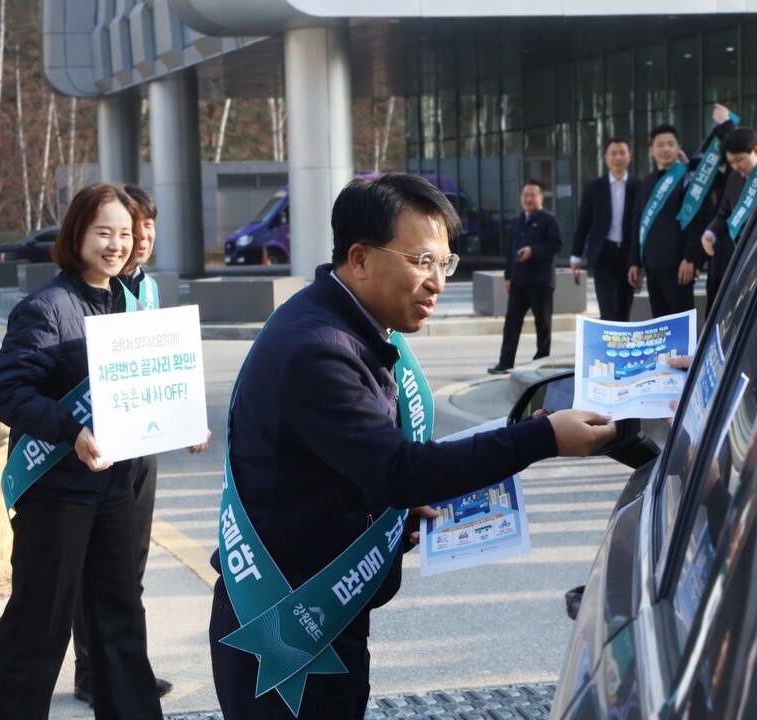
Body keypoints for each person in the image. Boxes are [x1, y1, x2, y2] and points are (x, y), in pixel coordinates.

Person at [209, 173, 615, 720]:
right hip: (284, 626)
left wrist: (391, 515)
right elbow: (399, 469)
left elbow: (353, 467)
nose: (437, 282)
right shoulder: (319, 349)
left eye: (443, 264)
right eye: (421, 261)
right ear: (360, 258)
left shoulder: (346, 322)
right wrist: (544, 436)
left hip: (320, 612)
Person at [0, 183, 163, 720]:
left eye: (125, 234)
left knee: (120, 621)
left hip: (111, 490)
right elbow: (7, 391)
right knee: (39, 625)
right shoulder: (47, 307)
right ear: (77, 234)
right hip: (56, 492)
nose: (116, 244)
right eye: (103, 232)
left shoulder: (124, 303)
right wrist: (69, 430)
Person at [69, 184, 210, 706]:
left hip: (139, 450)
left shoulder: (144, 290)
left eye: (142, 229)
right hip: (98, 447)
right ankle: (92, 670)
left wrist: (186, 419)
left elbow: (161, 369)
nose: (138, 239)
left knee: (132, 563)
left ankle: (126, 664)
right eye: (125, 229)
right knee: (97, 567)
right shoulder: (88, 294)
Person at [627, 125, 704, 318]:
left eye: (670, 144)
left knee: (681, 323)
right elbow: (637, 223)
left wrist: (690, 258)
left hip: (679, 265)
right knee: (660, 323)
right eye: (660, 145)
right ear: (651, 150)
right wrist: (634, 261)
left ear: (679, 148)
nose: (665, 149)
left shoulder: (687, 178)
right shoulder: (647, 182)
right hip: (652, 264)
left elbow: (696, 221)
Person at [700, 127, 757, 307]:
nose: (736, 166)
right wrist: (710, 233)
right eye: (731, 162)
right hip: (741, 262)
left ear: (756, 151)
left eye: (739, 160)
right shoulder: (735, 177)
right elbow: (725, 212)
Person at [488, 179, 562, 374]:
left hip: (541, 282)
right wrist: (508, 276)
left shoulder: (548, 220)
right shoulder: (516, 222)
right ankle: (505, 362)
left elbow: (556, 244)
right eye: (525, 195)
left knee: (543, 324)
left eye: (533, 195)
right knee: (511, 323)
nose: (528, 199)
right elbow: (510, 252)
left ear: (541, 198)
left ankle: (542, 362)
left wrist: (533, 251)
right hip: (518, 282)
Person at [570, 138, 640, 321]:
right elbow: (584, 222)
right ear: (605, 158)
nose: (618, 157)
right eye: (613, 153)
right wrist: (575, 256)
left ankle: (621, 347)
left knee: (625, 307)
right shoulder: (594, 187)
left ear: (629, 157)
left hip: (628, 254)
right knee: (609, 308)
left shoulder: (638, 186)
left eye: (622, 153)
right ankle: (609, 347)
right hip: (603, 254)